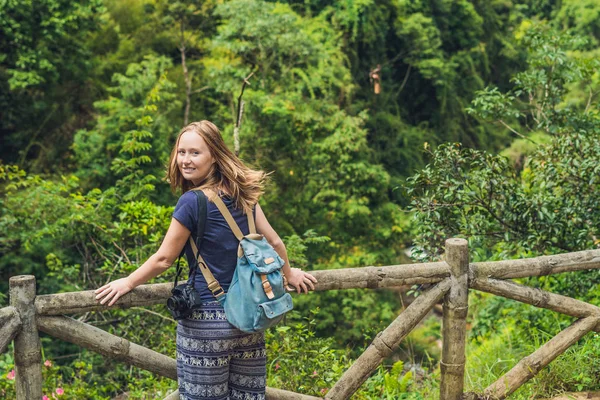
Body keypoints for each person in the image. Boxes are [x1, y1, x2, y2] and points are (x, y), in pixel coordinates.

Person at [95, 120, 317, 400]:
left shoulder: (191, 202)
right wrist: (290, 274)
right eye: (181, 152)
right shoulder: (243, 194)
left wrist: (127, 282)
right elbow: (273, 242)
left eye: (195, 153)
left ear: (214, 155)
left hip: (206, 324)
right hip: (249, 321)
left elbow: (164, 258)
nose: (185, 160)